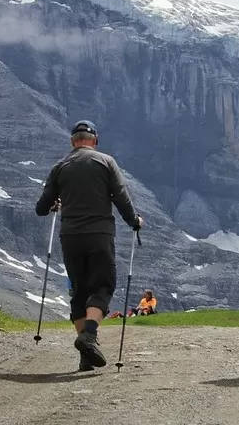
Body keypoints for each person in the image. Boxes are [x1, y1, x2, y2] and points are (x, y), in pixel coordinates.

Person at [35, 119, 143, 372]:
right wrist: (134, 221)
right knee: (103, 285)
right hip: (99, 233)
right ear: (95, 141)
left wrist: (54, 205)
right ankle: (90, 335)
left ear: (73, 141)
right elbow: (121, 196)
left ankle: (86, 355)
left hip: (70, 236)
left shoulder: (60, 167)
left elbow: (41, 208)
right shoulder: (106, 162)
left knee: (79, 290)